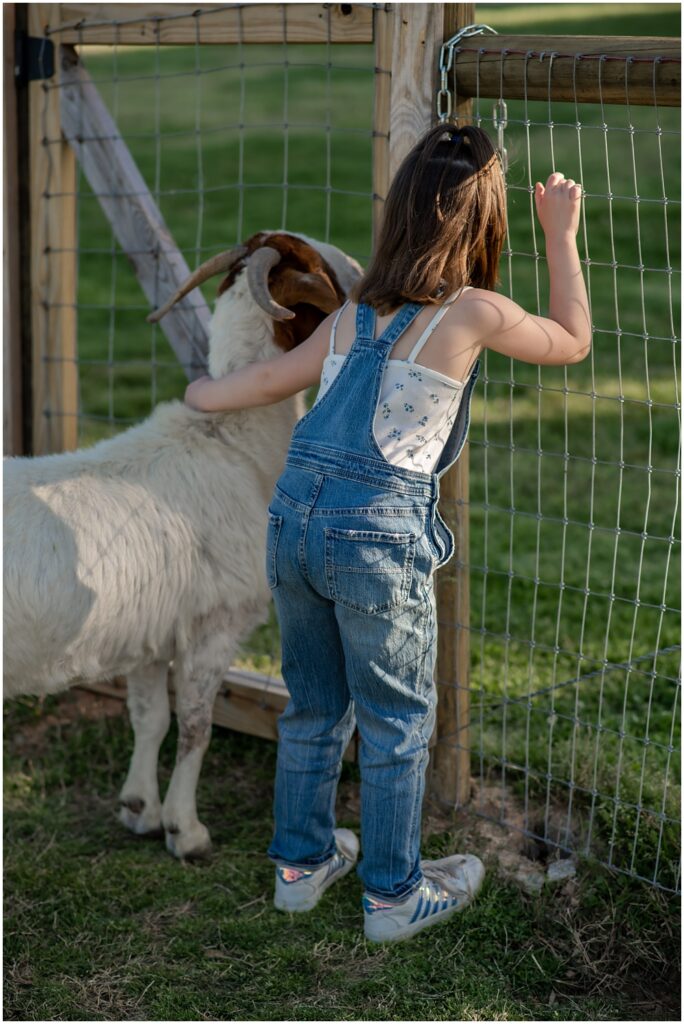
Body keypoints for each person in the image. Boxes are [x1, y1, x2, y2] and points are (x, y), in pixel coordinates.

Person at [184, 124, 590, 943]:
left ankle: (299, 869)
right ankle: (395, 895)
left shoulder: (352, 318)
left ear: (399, 216)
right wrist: (561, 236)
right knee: (397, 720)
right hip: (376, 538)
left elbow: (260, 382)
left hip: (293, 525)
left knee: (313, 705)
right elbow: (574, 341)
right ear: (483, 224)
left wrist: (199, 397)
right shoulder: (473, 312)